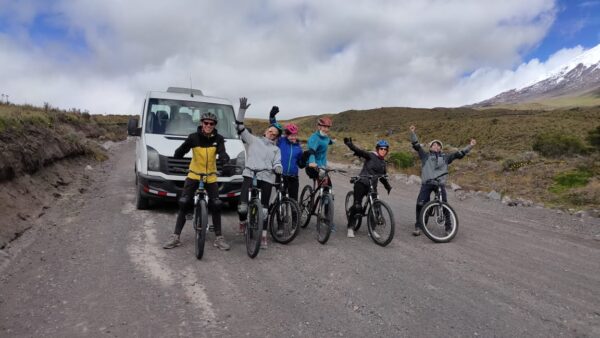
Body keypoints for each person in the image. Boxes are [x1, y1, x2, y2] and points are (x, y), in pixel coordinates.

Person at [163, 112, 231, 250]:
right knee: (184, 202)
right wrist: (179, 153)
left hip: (210, 176)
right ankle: (175, 237)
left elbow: (222, 152)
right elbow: (183, 149)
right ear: (201, 123)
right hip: (194, 175)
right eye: (206, 123)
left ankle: (219, 238)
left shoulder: (219, 139)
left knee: (216, 205)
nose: (208, 126)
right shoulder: (193, 138)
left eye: (211, 124)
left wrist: (224, 160)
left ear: (214, 125)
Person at [409, 125, 476, 236]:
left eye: (438, 145)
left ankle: (448, 227)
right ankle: (419, 225)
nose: (436, 146)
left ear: (440, 148)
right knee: (420, 203)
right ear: (430, 148)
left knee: (444, 204)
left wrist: (470, 146)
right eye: (433, 145)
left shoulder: (445, 157)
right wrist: (412, 133)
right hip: (427, 183)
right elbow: (416, 145)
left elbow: (460, 154)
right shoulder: (425, 156)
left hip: (439, 184)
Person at [236, 98, 283, 249]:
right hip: (250, 174)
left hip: (267, 178)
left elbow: (277, 162)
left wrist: (278, 168)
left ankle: (263, 236)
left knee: (263, 210)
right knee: (242, 207)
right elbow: (240, 127)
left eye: (274, 133)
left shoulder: (276, 149)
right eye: (270, 131)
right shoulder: (253, 140)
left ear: (276, 137)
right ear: (265, 131)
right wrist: (242, 111)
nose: (271, 134)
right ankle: (243, 222)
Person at [343, 138, 393, 238]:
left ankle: (372, 229)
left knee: (376, 206)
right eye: (381, 148)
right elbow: (359, 151)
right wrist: (350, 145)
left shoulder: (383, 163)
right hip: (361, 182)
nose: (383, 150)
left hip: (372, 186)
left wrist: (387, 186)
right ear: (378, 149)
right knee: (357, 206)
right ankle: (350, 227)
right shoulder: (371, 155)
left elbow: (382, 177)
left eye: (385, 149)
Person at [268, 106, 304, 201]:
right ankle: (278, 213)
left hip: (293, 178)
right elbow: (275, 128)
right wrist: (272, 117)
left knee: (294, 201)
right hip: (281, 176)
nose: (293, 137)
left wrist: (305, 160)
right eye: (291, 135)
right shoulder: (281, 141)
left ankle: (295, 216)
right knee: (280, 199)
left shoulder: (299, 148)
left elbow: (300, 163)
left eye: (295, 135)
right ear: (286, 135)